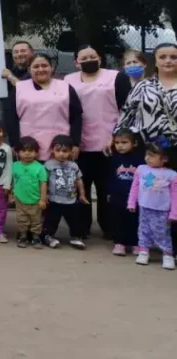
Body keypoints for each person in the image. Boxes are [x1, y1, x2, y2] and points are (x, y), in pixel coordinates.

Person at [64, 45, 131, 239]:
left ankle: (109, 227)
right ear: (76, 62)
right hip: (80, 144)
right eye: (83, 58)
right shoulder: (68, 80)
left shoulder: (116, 77)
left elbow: (126, 109)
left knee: (106, 188)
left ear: (100, 59)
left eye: (92, 56)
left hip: (110, 143)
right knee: (80, 186)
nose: (88, 60)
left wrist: (117, 136)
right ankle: (82, 227)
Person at [7, 53, 83, 162]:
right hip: (29, 148)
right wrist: (14, 144)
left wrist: (75, 143)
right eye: (36, 66)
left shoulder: (65, 87)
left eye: (44, 65)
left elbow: (76, 117)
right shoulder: (19, 88)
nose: (40, 69)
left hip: (60, 148)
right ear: (29, 69)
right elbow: (11, 118)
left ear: (51, 68)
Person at [117, 43, 177, 159]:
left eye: (173, 57)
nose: (168, 61)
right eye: (162, 57)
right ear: (155, 61)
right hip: (148, 152)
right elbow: (126, 116)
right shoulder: (142, 86)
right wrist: (116, 138)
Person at [127, 141, 177, 269]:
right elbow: (135, 187)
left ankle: (167, 254)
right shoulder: (141, 169)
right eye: (146, 155)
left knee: (162, 232)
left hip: (162, 210)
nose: (147, 158)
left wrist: (174, 212)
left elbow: (175, 195)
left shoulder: (172, 175)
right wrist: (131, 202)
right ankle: (144, 251)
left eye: (152, 156)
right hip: (144, 207)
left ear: (164, 159)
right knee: (144, 230)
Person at [42, 135, 89, 249]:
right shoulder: (48, 165)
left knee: (75, 221)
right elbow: (44, 181)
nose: (61, 154)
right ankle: (48, 236)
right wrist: (44, 196)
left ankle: (76, 237)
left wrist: (82, 194)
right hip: (54, 200)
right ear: (52, 150)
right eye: (58, 150)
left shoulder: (73, 165)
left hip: (71, 200)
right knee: (51, 221)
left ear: (70, 152)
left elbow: (79, 180)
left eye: (65, 151)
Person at [108, 129, 142, 256]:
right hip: (118, 195)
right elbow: (110, 176)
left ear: (134, 143)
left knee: (134, 219)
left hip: (135, 197)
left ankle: (136, 243)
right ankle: (119, 243)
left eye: (124, 142)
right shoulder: (113, 159)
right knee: (118, 219)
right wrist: (109, 192)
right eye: (117, 142)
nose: (120, 146)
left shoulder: (140, 159)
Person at [11, 137, 48, 249]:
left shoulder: (40, 168)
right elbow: (13, 180)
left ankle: (36, 238)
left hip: (36, 200)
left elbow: (43, 184)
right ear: (18, 152)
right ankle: (23, 237)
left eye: (31, 151)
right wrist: (11, 194)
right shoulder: (15, 166)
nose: (27, 154)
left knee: (36, 220)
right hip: (20, 198)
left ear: (36, 153)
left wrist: (42, 199)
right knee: (22, 219)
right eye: (23, 151)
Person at [0, 41, 35, 127]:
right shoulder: (13, 71)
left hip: (31, 121)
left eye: (23, 51)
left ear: (32, 52)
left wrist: (9, 76)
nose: (19, 54)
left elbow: (24, 88)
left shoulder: (37, 70)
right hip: (11, 121)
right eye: (16, 52)